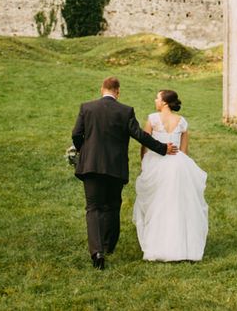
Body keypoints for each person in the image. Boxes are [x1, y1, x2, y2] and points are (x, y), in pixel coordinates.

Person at [71, 76, 177, 270]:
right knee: (112, 206)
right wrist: (162, 148)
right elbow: (140, 135)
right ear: (118, 92)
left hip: (91, 166)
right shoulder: (125, 111)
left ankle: (97, 252)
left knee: (93, 208)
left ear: (101, 90)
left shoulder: (87, 108)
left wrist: (82, 150)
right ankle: (108, 246)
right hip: (115, 167)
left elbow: (76, 134)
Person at [132, 89, 208, 261]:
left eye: (157, 98)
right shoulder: (182, 122)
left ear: (164, 102)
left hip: (155, 163)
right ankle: (181, 246)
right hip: (178, 165)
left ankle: (157, 245)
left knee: (156, 204)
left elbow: (144, 144)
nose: (155, 100)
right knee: (177, 204)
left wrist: (144, 162)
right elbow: (184, 151)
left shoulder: (152, 119)